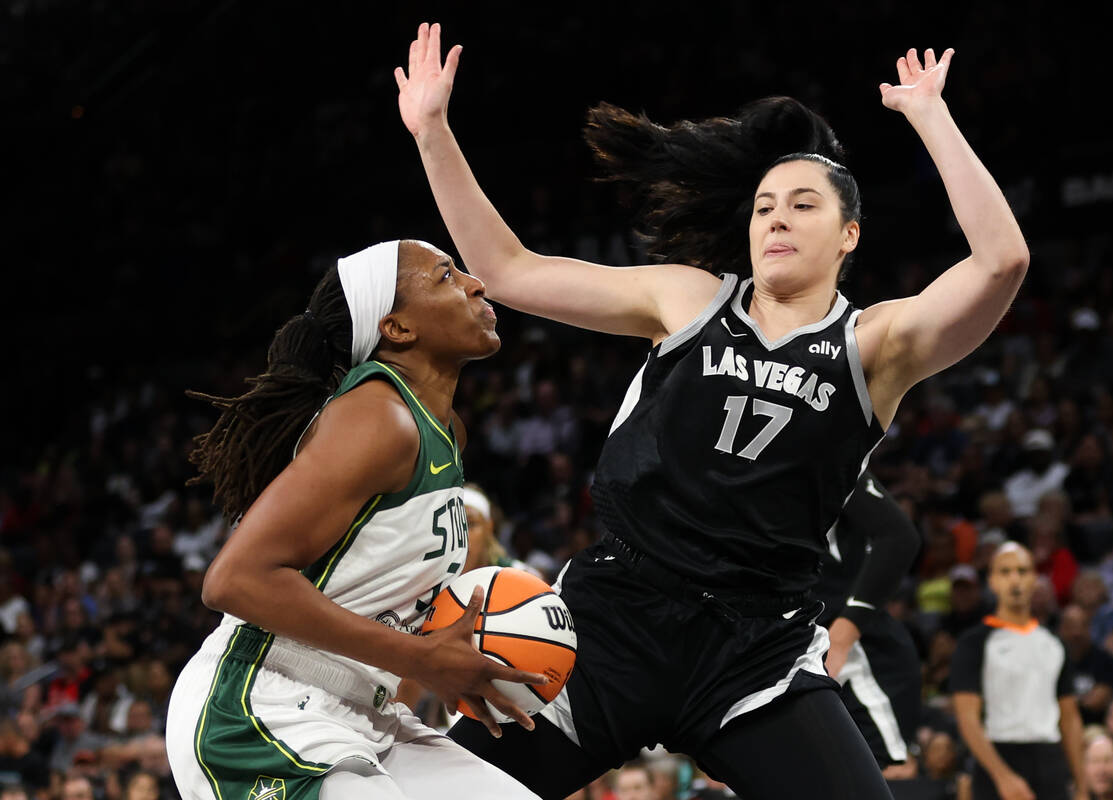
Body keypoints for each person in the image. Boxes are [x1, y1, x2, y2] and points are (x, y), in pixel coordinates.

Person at [397, 22, 1029, 799]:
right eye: (765, 206)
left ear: (849, 235)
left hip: (754, 648)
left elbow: (1002, 262)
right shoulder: (690, 298)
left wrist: (931, 116)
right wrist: (432, 132)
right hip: (615, 619)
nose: (777, 219)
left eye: (803, 205)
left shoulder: (876, 342)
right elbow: (508, 268)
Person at [164, 240, 548, 800]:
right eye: (446, 277)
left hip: (364, 709)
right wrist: (422, 658)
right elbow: (234, 580)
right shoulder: (379, 416)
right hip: (256, 710)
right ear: (396, 329)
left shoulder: (446, 433)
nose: (476, 283)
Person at [950, 543, 1086, 800]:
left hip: (1049, 759)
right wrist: (1002, 776)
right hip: (999, 754)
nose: (1015, 579)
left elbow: (1070, 718)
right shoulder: (974, 643)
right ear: (992, 581)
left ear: (1034, 579)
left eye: (1023, 571)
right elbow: (967, 718)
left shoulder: (1054, 644)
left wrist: (1081, 785)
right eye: (1005, 571)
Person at [817, 470, 923, 767]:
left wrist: (844, 633)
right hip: (790, 653)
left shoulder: (815, 444)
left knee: (881, 776)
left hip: (856, 658)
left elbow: (899, 537)